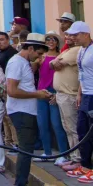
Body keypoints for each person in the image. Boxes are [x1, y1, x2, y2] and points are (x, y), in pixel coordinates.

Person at [6, 33, 53, 186]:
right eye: (38, 53)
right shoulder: (16, 63)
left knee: (27, 150)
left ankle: (22, 182)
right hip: (21, 111)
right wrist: (37, 94)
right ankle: (20, 183)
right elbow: (12, 91)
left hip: (26, 111)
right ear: (30, 48)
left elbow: (24, 82)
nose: (40, 57)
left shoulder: (23, 62)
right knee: (26, 151)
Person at [30, 32, 68, 165]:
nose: (51, 41)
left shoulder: (61, 56)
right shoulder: (41, 57)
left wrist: (58, 93)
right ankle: (47, 152)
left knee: (57, 124)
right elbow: (31, 70)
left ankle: (64, 154)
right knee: (42, 124)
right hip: (41, 92)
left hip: (55, 92)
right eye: (48, 39)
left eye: (53, 39)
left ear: (57, 42)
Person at [64, 22, 93, 181]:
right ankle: (86, 165)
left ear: (86, 34)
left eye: (76, 35)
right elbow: (82, 74)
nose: (72, 37)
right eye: (72, 35)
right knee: (82, 131)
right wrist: (79, 94)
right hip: (86, 96)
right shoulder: (82, 50)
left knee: (91, 133)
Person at [51, 30, 82, 169]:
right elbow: (52, 63)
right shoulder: (66, 50)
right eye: (67, 35)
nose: (68, 37)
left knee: (73, 128)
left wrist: (54, 62)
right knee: (68, 128)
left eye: (72, 35)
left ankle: (78, 159)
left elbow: (56, 64)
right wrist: (54, 62)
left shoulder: (76, 50)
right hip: (62, 94)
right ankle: (73, 156)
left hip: (70, 94)